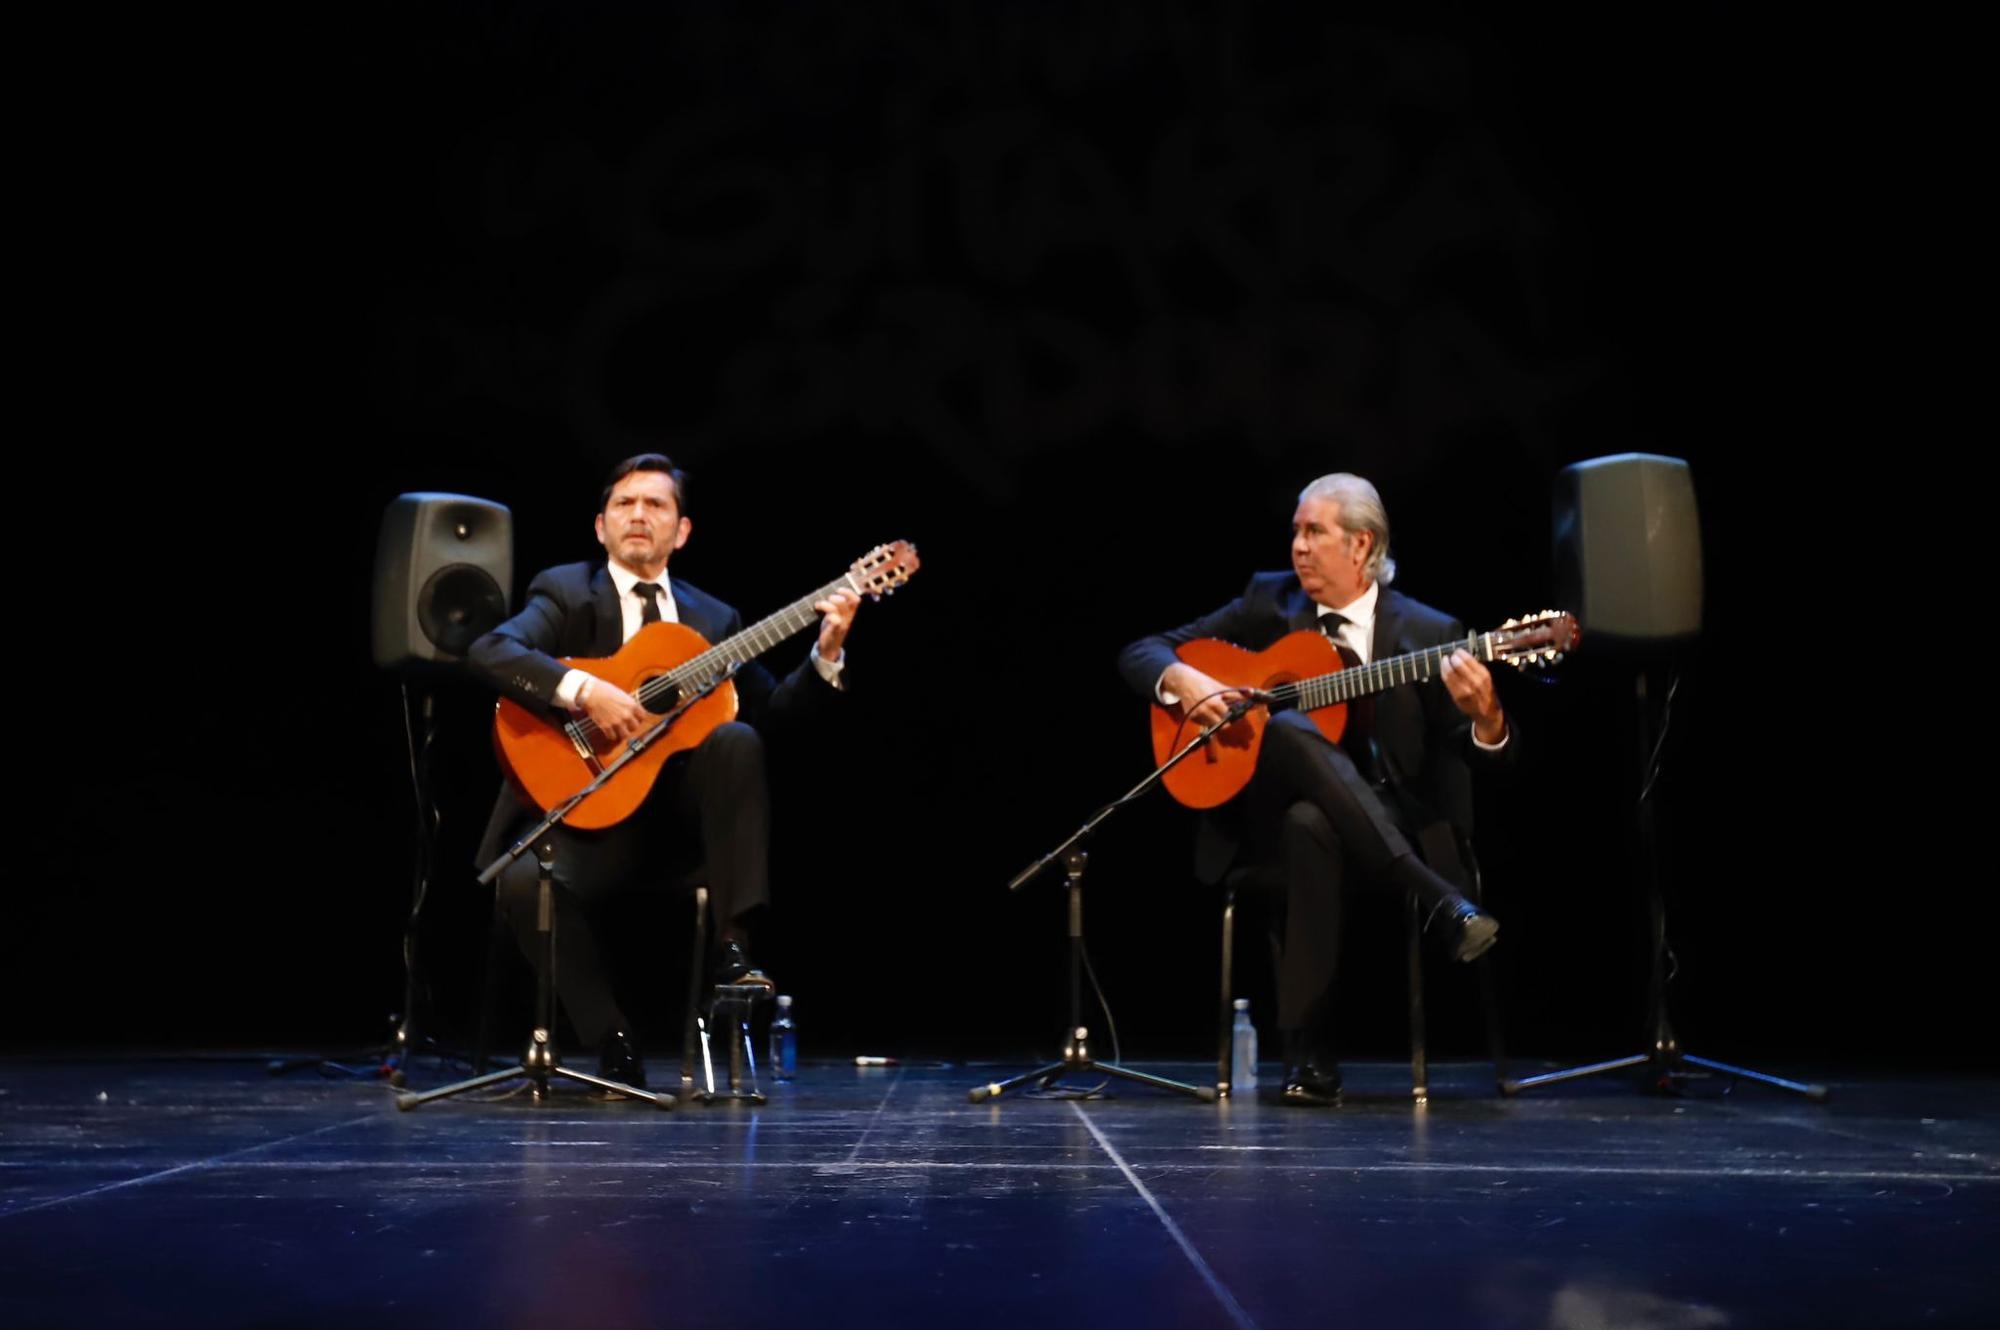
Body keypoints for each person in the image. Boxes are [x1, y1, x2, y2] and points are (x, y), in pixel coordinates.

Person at [1118, 473, 1515, 1106]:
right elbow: (1142, 651)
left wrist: (1488, 719)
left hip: (1396, 820)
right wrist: (1184, 681)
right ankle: (1441, 902)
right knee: (1292, 733)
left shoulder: (1430, 632)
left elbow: (1477, 754)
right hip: (1264, 822)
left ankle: (1309, 1060)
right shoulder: (1266, 603)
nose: (1298, 547)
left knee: (1313, 821)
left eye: (1315, 532)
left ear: (1362, 546)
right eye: (1295, 532)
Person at [468, 453, 858, 1087]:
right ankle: (612, 1040)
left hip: (682, 837)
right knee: (520, 882)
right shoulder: (565, 591)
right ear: (601, 527)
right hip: (591, 822)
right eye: (625, 504)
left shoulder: (713, 622)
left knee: (736, 738)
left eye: (656, 505)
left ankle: (733, 953)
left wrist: (825, 652)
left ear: (682, 532)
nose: (639, 515)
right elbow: (491, 651)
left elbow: (777, 720)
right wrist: (584, 690)